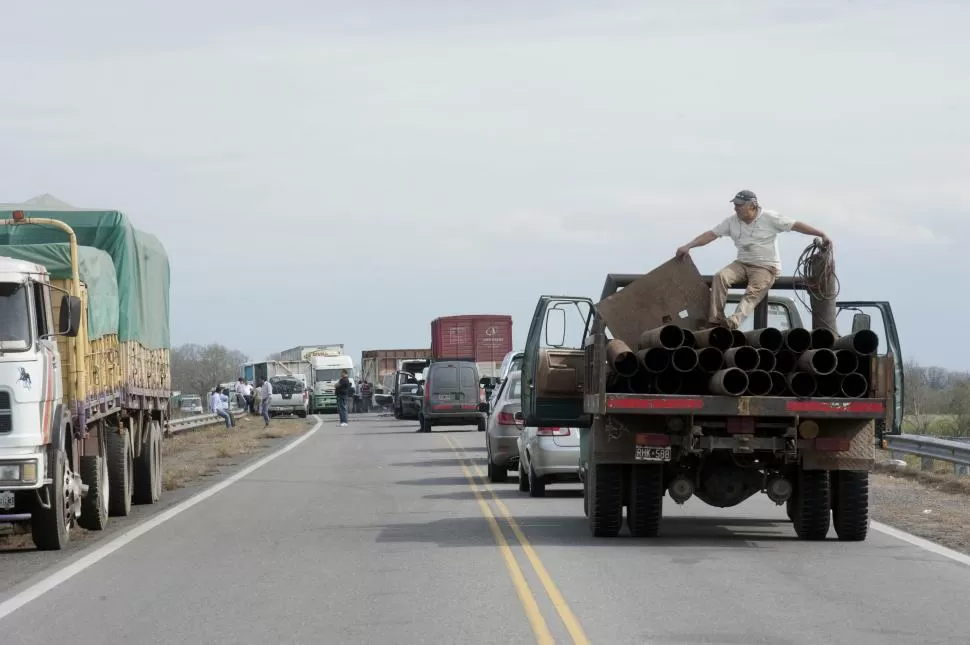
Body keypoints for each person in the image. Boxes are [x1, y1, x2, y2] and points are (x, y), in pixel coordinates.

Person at [676, 189, 831, 330]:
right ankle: (716, 320)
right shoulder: (732, 221)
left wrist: (820, 234)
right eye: (735, 204)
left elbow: (796, 225)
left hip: (766, 266)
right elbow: (711, 234)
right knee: (720, 277)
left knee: (753, 291)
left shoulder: (770, 218)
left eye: (739, 205)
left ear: (751, 206)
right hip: (742, 263)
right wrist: (689, 246)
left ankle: (732, 323)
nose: (735, 208)